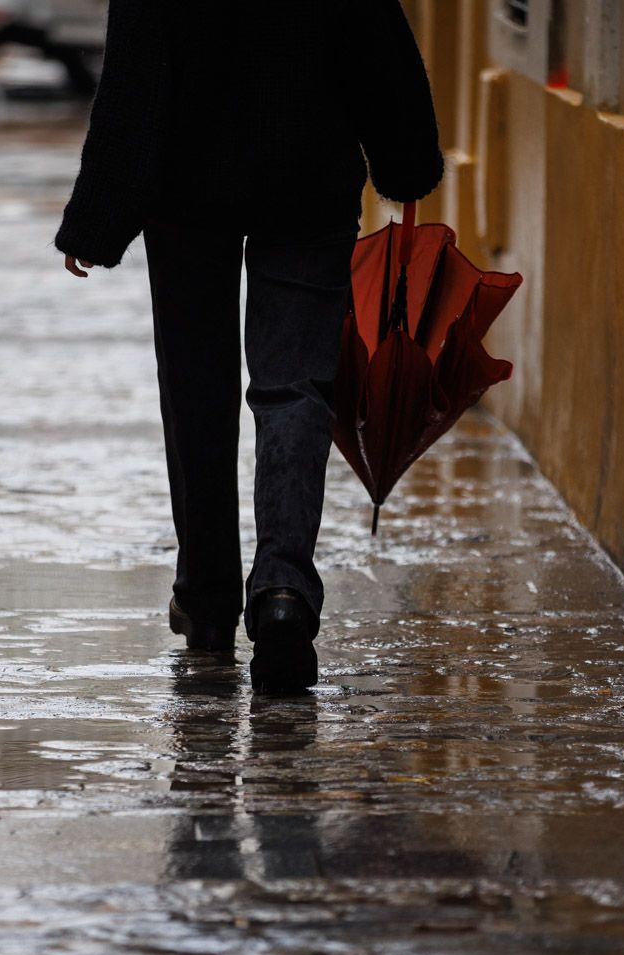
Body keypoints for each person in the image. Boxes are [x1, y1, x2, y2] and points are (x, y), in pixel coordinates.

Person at [55, 1, 442, 694]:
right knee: (296, 385)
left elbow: (136, 77)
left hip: (184, 191)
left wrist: (98, 215)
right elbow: (373, 37)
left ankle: (207, 603)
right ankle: (283, 591)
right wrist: (405, 160)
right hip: (307, 180)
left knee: (197, 393)